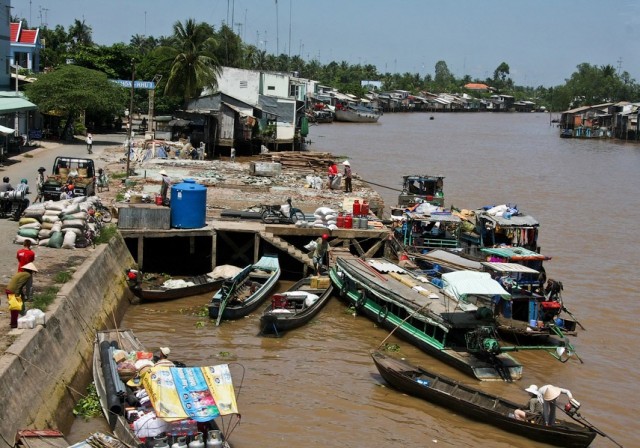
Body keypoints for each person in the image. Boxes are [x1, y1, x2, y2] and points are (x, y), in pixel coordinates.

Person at [6, 262, 37, 328]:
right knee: (15, 308)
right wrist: (17, 295)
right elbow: (20, 285)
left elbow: (20, 285)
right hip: (13, 291)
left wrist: (22, 295)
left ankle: (14, 322)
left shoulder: (21, 273)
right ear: (31, 270)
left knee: (14, 307)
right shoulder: (27, 275)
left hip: (9, 289)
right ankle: (14, 324)